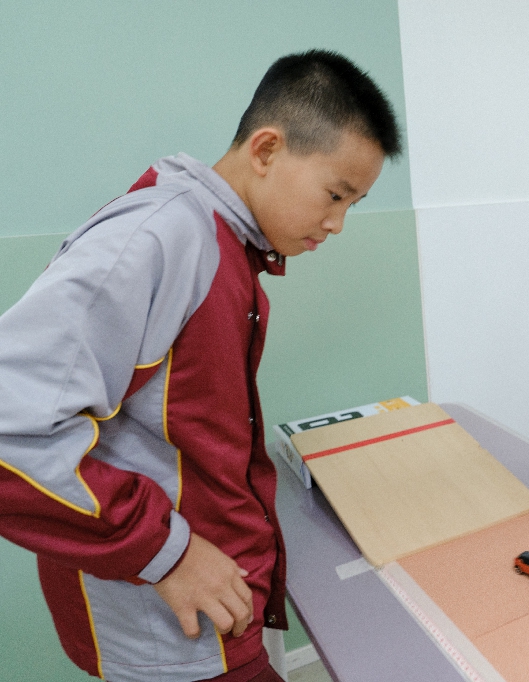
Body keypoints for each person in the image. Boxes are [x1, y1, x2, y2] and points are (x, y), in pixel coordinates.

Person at [0, 50, 400, 680]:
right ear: (266, 150)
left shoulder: (222, 243)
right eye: (335, 195)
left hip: (208, 605)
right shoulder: (160, 238)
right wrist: (167, 553)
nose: (338, 223)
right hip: (169, 626)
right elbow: (11, 429)